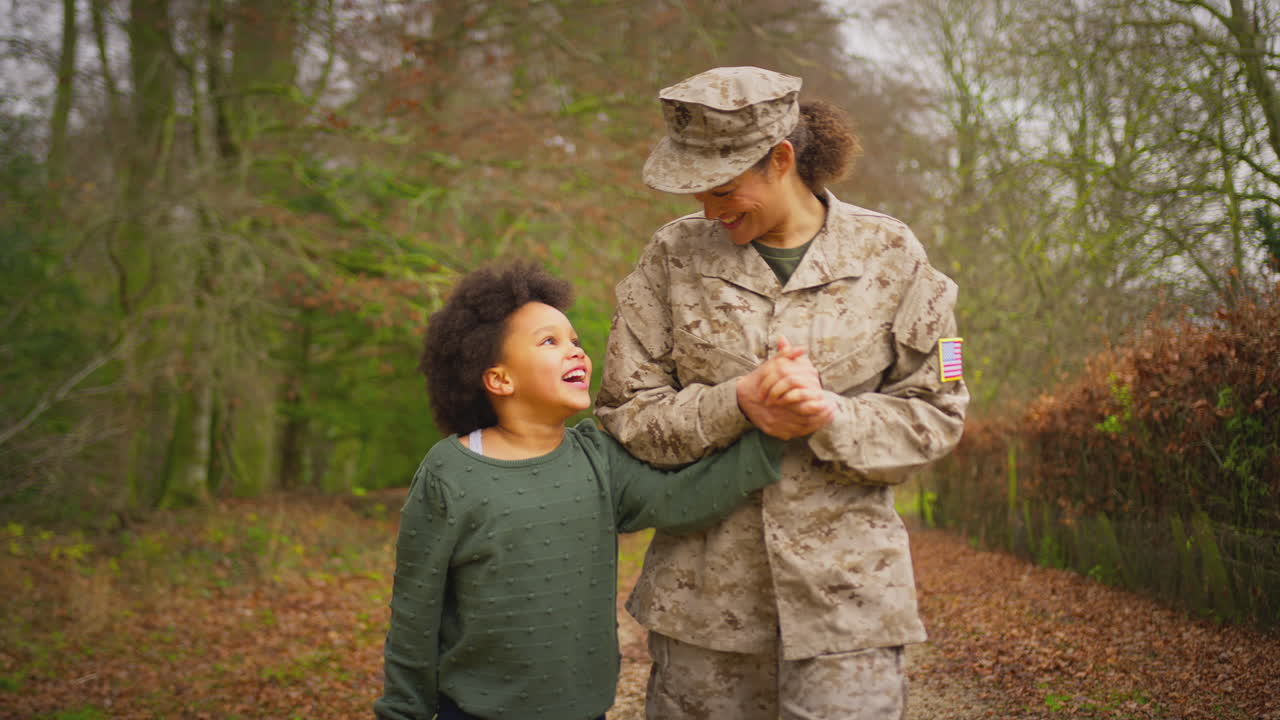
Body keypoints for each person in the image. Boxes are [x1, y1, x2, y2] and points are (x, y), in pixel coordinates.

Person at [596, 66, 970, 720]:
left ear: (781, 159)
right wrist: (736, 402)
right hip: (704, 613)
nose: (708, 210)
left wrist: (829, 415)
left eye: (721, 188)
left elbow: (937, 414)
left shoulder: (892, 255)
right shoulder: (672, 257)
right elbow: (625, 412)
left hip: (848, 611)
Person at [373, 259, 830, 720]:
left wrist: (769, 431)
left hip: (584, 708)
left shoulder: (596, 455)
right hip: (475, 710)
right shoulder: (451, 472)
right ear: (499, 378)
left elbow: (678, 499)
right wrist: (402, 709)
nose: (576, 352)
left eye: (575, 340)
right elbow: (417, 608)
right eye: (549, 342)